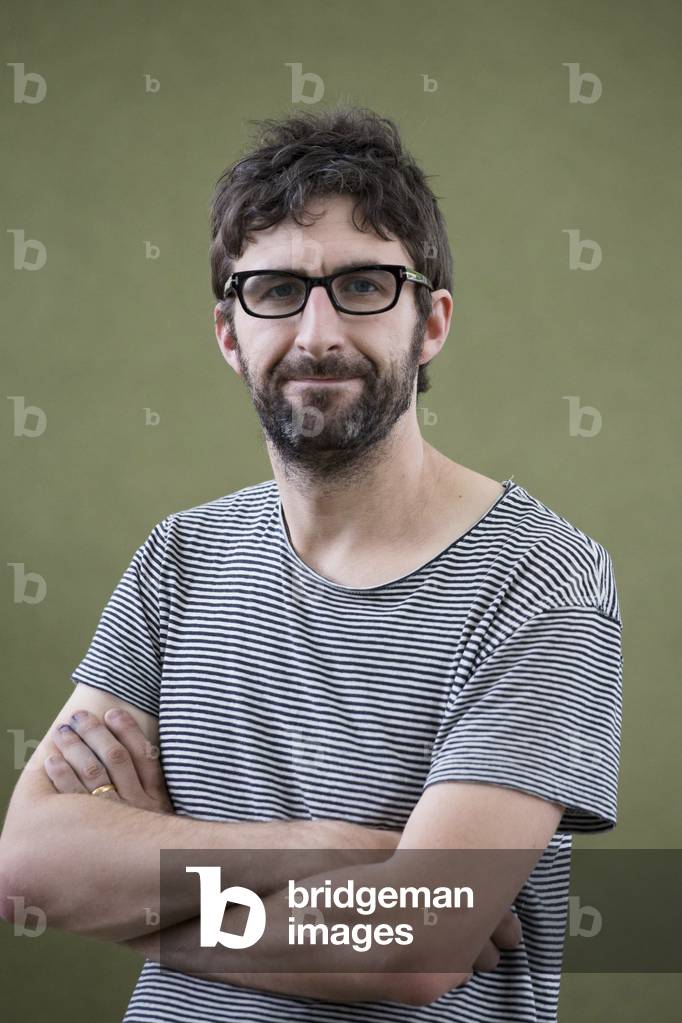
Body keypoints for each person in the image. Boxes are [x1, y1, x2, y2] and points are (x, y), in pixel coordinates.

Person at [0, 105, 623, 1022]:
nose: (318, 333)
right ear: (229, 334)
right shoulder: (180, 558)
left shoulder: (543, 577)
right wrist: (328, 847)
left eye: (364, 284)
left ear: (432, 322)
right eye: (277, 290)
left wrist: (143, 900)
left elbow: (411, 941)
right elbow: (31, 864)